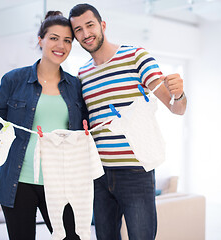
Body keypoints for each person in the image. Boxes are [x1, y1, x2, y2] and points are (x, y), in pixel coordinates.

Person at [0, 11, 86, 240]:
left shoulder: (75, 86)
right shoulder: (13, 80)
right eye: (53, 38)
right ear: (40, 39)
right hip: (17, 181)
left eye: (67, 40)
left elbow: (83, 134)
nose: (60, 45)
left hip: (60, 182)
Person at [69, 4, 187, 240]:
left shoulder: (136, 56)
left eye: (90, 25)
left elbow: (176, 109)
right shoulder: (82, 74)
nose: (85, 33)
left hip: (136, 171)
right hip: (99, 174)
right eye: (78, 30)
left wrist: (180, 94)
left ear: (102, 25)